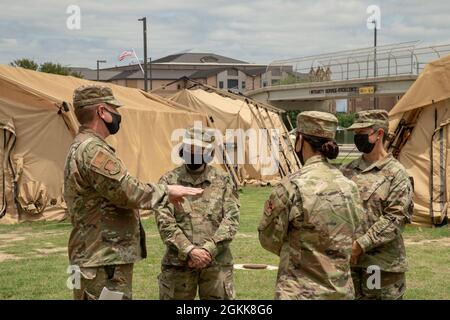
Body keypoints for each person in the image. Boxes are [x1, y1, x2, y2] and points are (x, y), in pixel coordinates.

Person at [64, 84, 203, 300]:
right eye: (114, 109)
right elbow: (126, 191)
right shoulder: (93, 150)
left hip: (94, 256)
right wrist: (167, 192)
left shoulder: (80, 146)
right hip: (103, 259)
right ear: (102, 111)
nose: (118, 115)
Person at [258, 111, 364, 300]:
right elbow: (356, 232)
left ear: (299, 140)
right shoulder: (350, 186)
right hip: (341, 292)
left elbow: (268, 238)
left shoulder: (292, 185)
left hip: (299, 291)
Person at [155, 126, 240, 300]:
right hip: (179, 266)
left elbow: (231, 220)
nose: (193, 153)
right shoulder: (169, 182)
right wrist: (190, 250)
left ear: (208, 152)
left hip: (216, 266)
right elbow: (165, 223)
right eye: (189, 148)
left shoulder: (223, 181)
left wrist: (208, 250)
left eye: (198, 149)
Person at [341, 109, 413, 300]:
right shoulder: (346, 170)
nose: (357, 138)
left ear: (378, 134)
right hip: (349, 264)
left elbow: (395, 219)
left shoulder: (397, 174)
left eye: (361, 134)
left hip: (382, 266)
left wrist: (361, 245)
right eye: (355, 134)